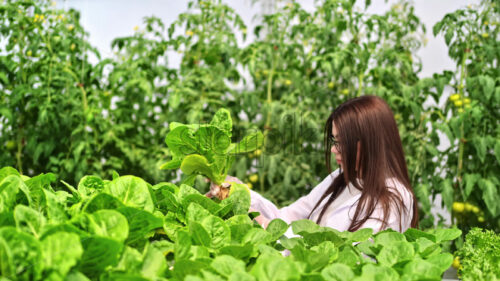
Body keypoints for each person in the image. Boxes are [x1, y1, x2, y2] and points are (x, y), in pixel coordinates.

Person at [210, 95, 419, 233]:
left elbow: (351, 261)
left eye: (341, 142)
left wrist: (266, 227)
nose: (333, 150)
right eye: (334, 141)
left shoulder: (393, 200)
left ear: (370, 143)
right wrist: (235, 191)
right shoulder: (342, 178)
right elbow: (287, 217)